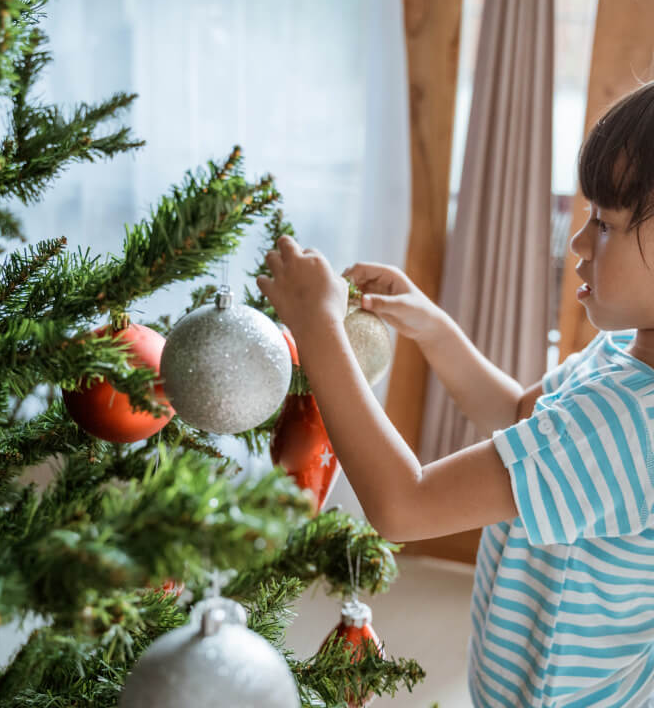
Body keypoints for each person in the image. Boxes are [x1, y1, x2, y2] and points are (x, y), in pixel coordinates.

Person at [257, 81, 654, 707]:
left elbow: (403, 506)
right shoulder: (623, 354)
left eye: (603, 224)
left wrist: (318, 329)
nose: (577, 244)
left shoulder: (625, 426)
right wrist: (431, 325)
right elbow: (520, 414)